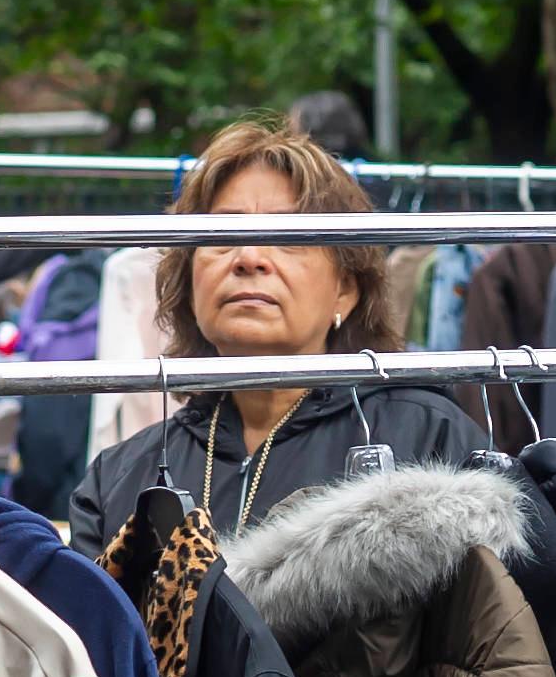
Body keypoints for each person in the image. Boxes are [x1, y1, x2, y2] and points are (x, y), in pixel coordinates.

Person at [66, 118, 486, 549]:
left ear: (345, 289)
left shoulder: (426, 438)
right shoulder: (121, 477)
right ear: (189, 283)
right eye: (222, 236)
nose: (249, 258)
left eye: (286, 237)